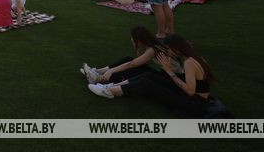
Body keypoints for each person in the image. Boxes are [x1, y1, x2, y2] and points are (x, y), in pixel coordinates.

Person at [87, 34, 217, 118]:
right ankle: (112, 86)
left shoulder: (189, 62)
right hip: (194, 99)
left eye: (170, 49)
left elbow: (190, 91)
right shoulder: (196, 58)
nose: (169, 51)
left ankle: (110, 91)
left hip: (194, 104)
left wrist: (169, 71)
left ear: (177, 48)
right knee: (149, 76)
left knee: (147, 83)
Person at [81, 25, 166, 84]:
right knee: (129, 59)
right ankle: (97, 72)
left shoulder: (153, 49)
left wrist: (111, 71)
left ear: (139, 39)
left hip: (167, 78)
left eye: (133, 38)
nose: (131, 39)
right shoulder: (152, 44)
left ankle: (98, 79)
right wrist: (138, 47)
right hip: (164, 74)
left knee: (134, 69)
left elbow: (133, 64)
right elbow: (141, 61)